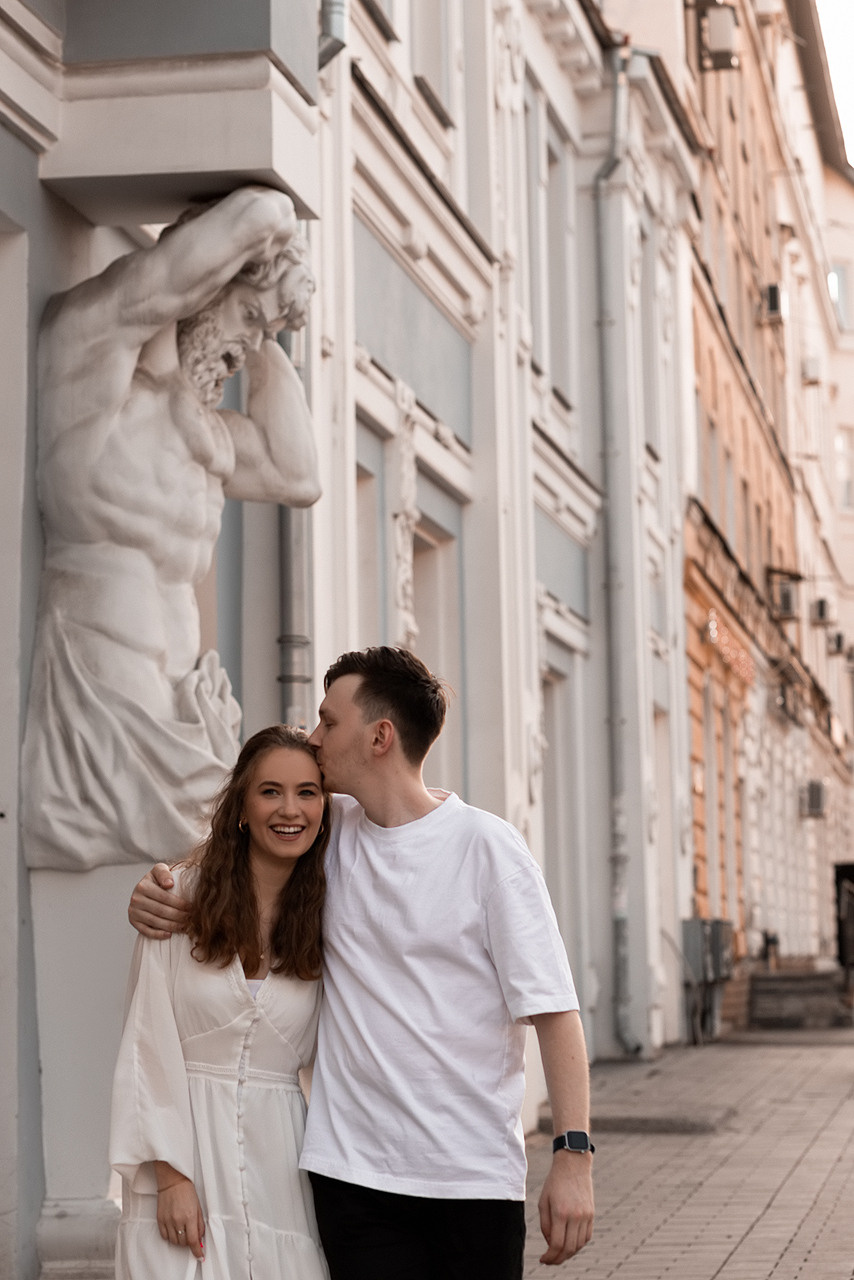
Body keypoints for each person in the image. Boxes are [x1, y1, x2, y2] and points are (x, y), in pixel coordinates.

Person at [128, 647, 595, 1280]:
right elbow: (238, 858)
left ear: (380, 736)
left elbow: (555, 1012)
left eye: (328, 721)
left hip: (470, 1180)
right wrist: (158, 891)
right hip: (351, 1181)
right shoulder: (328, 832)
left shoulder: (487, 849)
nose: (313, 737)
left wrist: (573, 1157)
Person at [23, 186, 320, 871]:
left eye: (265, 332)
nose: (248, 347)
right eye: (247, 317)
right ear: (201, 282)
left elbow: (297, 474)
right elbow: (166, 279)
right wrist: (273, 229)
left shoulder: (205, 435)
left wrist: (264, 323)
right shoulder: (90, 359)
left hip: (185, 714)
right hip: (99, 696)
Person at [111, 724, 331, 1280]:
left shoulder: (330, 914)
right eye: (270, 791)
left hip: (282, 1170)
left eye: (307, 792)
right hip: (182, 1160)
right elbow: (146, 1041)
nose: (290, 809)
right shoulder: (177, 897)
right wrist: (171, 1176)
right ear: (241, 808)